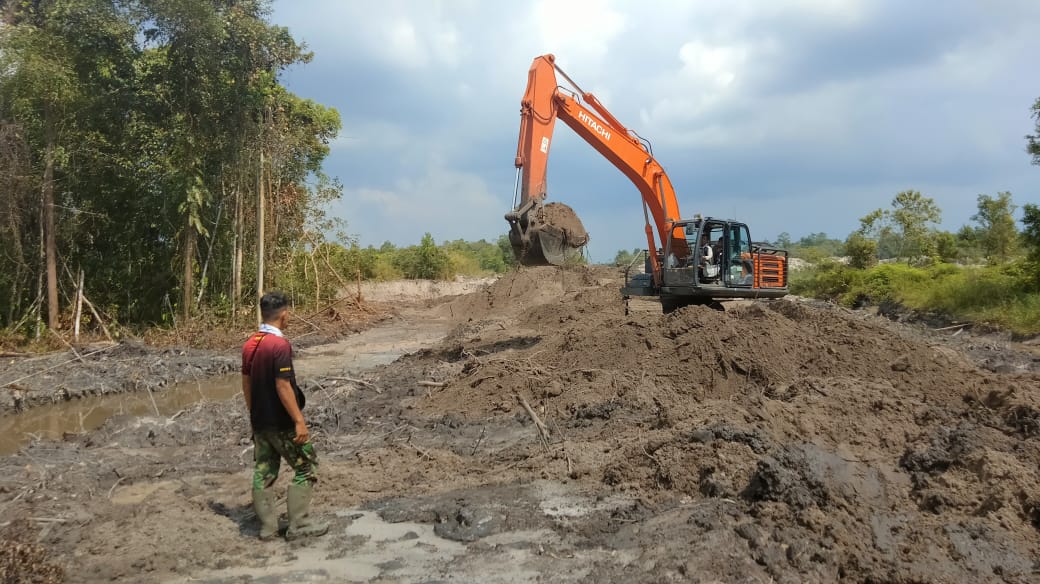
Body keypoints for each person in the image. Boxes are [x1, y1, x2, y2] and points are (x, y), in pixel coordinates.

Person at [242, 291, 328, 541]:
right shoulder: (279, 345)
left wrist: (254, 417)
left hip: (260, 422)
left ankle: (268, 528)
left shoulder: (250, 344)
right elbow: (283, 386)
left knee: (263, 472)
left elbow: (246, 386)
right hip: (281, 422)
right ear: (283, 314)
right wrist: (299, 421)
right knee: (306, 466)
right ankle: (299, 525)